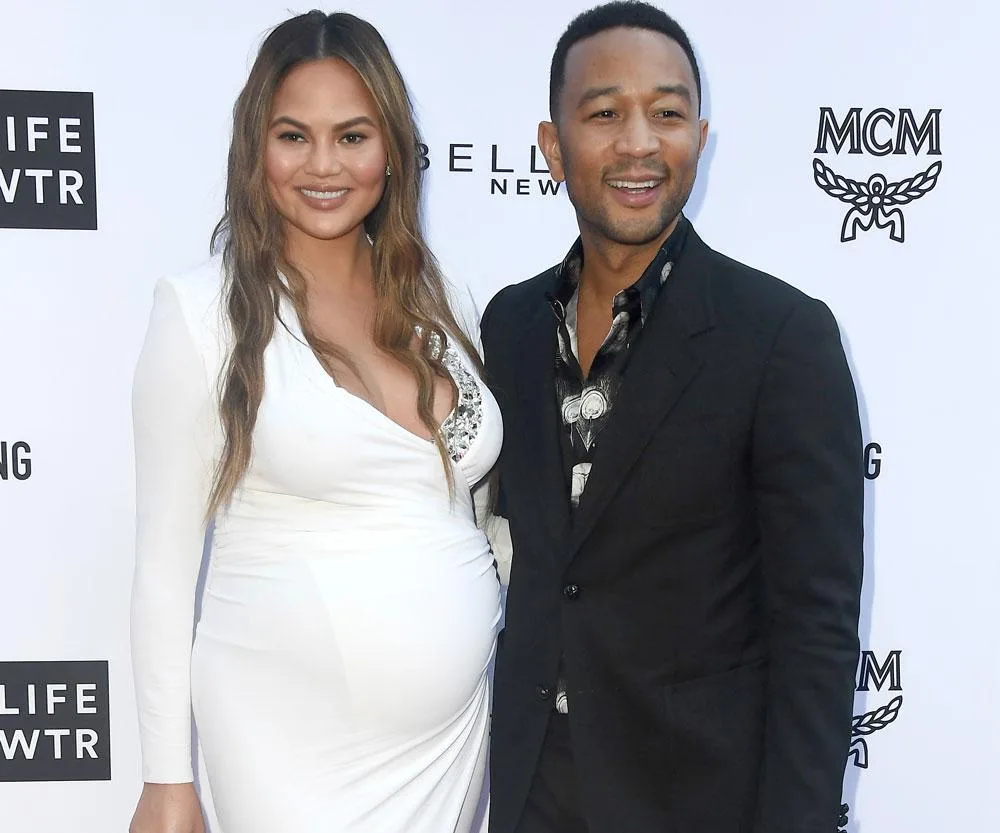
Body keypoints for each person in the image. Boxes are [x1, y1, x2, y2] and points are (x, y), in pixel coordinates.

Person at [481, 3, 865, 832]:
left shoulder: (781, 336)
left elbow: (817, 632)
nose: (638, 144)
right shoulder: (507, 327)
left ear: (700, 135)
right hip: (531, 795)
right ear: (552, 146)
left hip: (697, 800)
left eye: (667, 112)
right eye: (605, 113)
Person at [128, 11, 502, 833]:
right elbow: (162, 566)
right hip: (282, 736)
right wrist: (166, 780)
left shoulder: (444, 304)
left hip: (448, 745)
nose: (324, 165)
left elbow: (469, 511)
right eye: (294, 136)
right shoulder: (200, 315)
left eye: (353, 135)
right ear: (254, 148)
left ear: (393, 148)